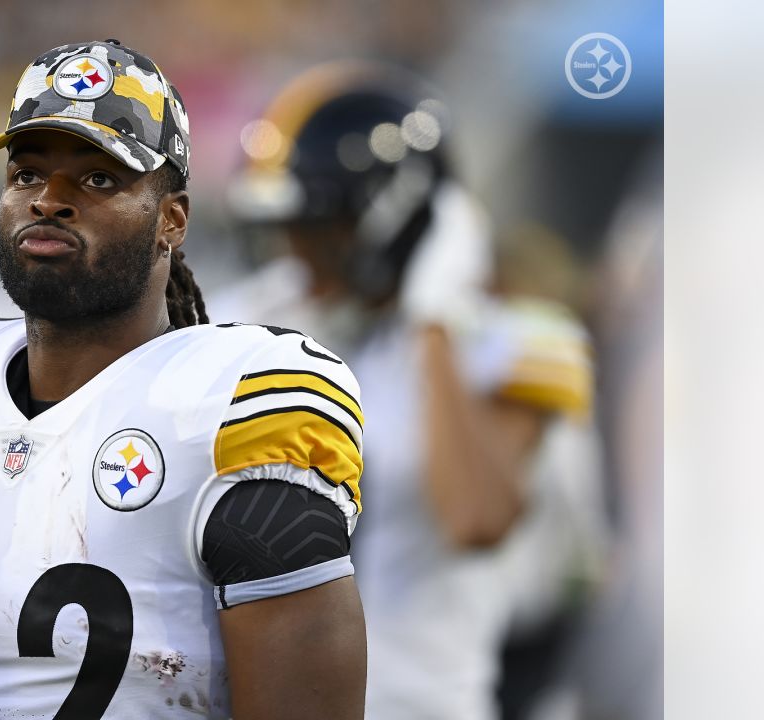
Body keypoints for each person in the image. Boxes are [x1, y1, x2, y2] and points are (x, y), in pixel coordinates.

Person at [0, 40, 367, 719]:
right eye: (26, 174)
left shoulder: (228, 404)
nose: (49, 200)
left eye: (98, 180)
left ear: (173, 219)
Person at [216, 62, 593, 720]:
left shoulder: (523, 343)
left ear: (391, 217)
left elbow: (476, 516)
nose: (294, 248)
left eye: (317, 225)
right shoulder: (279, 322)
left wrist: (433, 318)